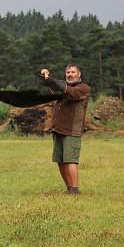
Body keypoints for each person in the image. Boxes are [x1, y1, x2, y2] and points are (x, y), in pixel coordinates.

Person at [39, 64, 90, 195]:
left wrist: (51, 80)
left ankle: (75, 189)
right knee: (60, 160)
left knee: (70, 160)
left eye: (73, 72)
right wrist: (45, 78)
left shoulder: (83, 89)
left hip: (72, 130)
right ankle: (69, 188)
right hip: (58, 128)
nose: (70, 74)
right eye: (68, 72)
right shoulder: (62, 87)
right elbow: (55, 89)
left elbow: (70, 93)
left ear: (79, 75)